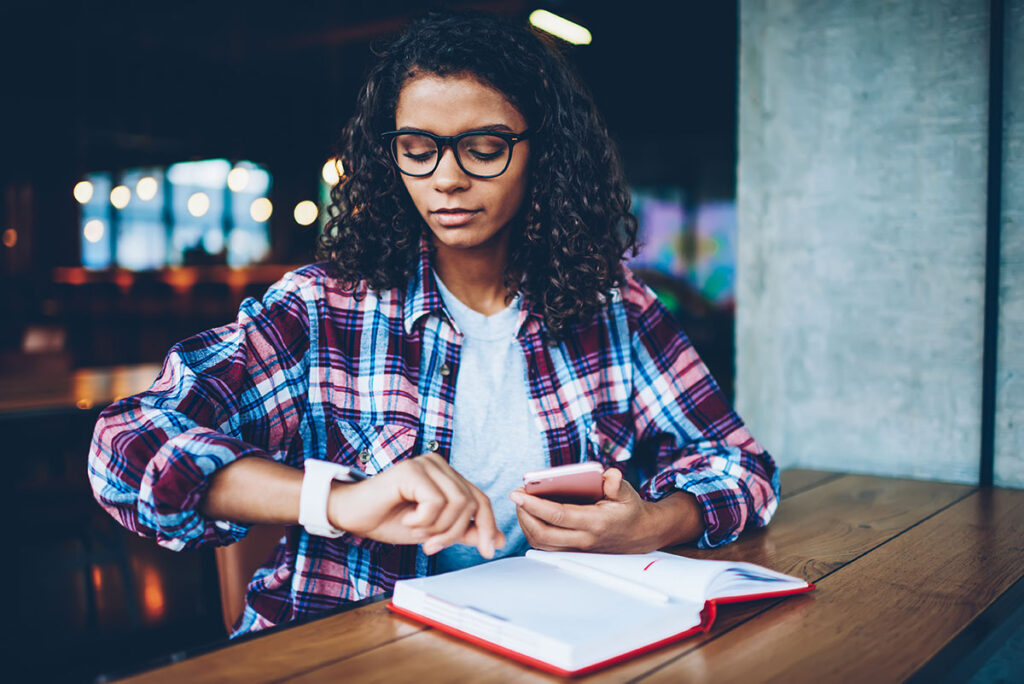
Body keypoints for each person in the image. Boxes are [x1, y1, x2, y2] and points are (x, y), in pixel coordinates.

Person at [88, 10, 779, 637]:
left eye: (483, 148)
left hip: (558, 641)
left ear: (543, 153)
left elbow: (742, 465)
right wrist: (339, 500)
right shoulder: (323, 311)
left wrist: (653, 523)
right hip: (353, 653)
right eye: (419, 149)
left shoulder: (614, 309)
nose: (446, 179)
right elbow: (125, 447)